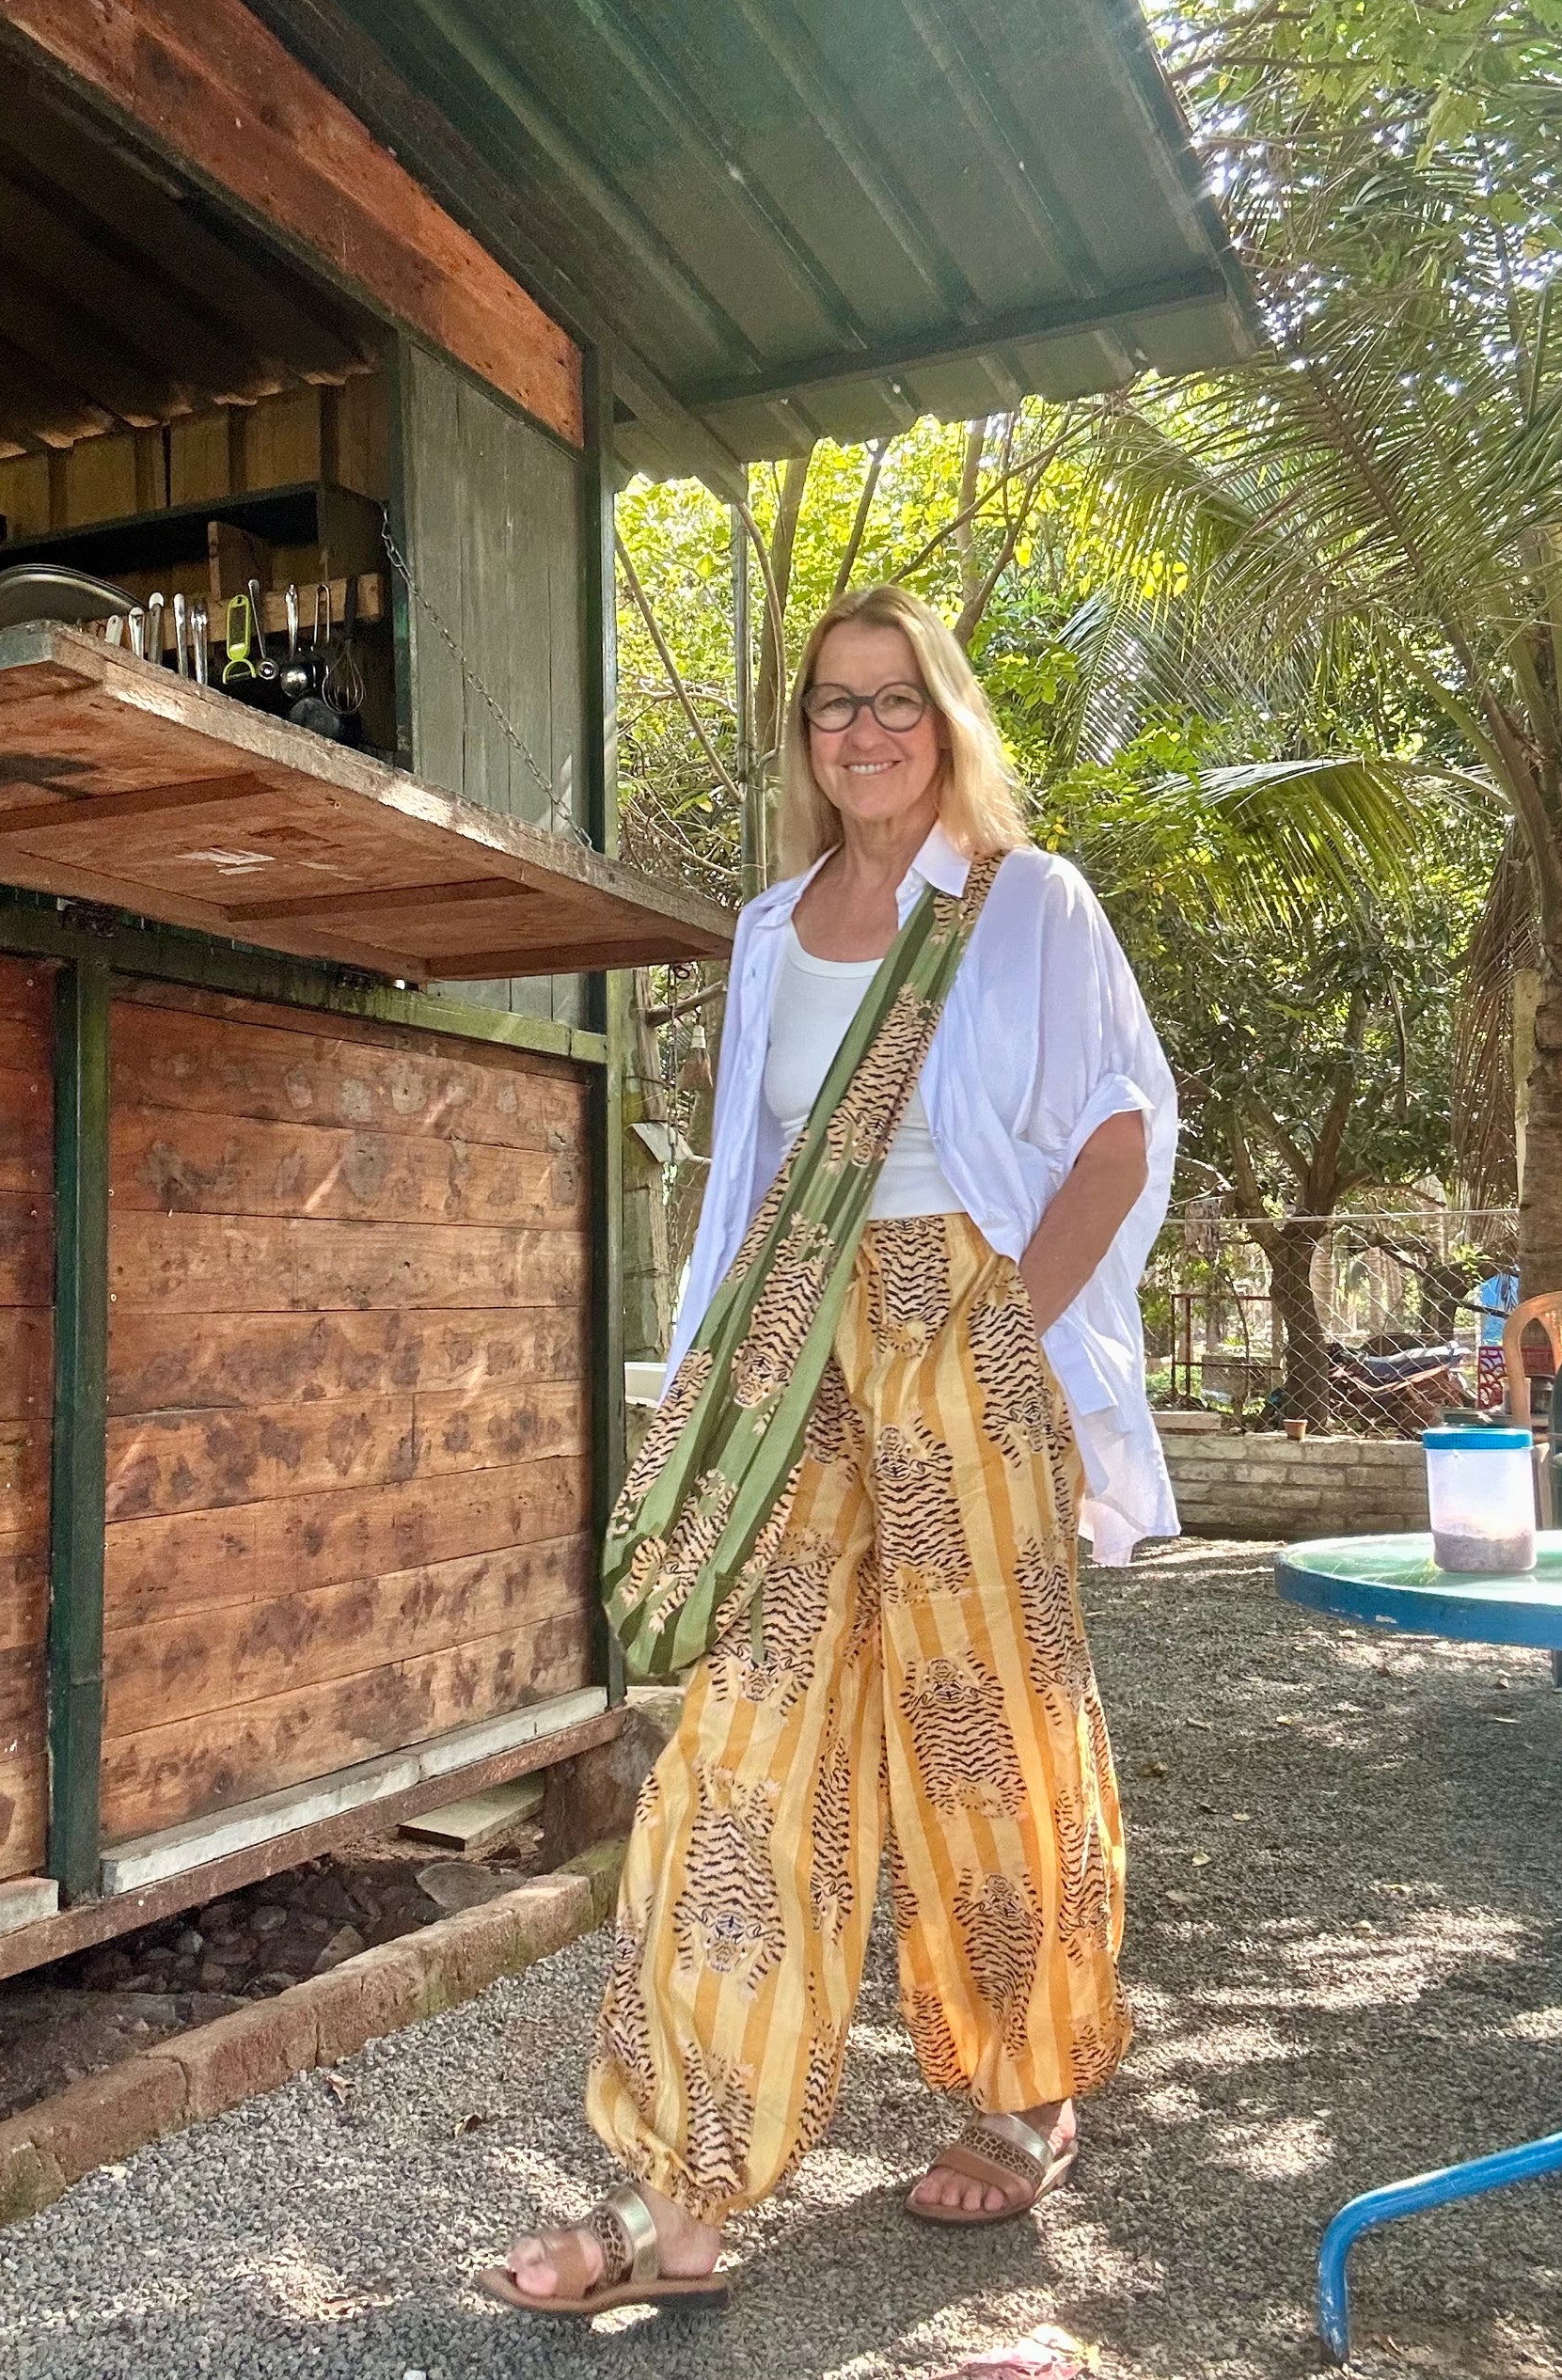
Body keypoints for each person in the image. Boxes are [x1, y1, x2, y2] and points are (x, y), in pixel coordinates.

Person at [484, 583, 1177, 2316]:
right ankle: (678, 2189)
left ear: (945, 719)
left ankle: (1024, 2091)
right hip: (792, 1349)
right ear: (803, 736)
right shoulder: (768, 927)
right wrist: (708, 1380)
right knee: (737, 1745)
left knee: (985, 1719)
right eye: (832, 705)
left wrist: (1010, 1322)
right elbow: (749, 1175)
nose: (863, 733)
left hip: (968, 1323)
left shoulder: (1027, 901)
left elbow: (1122, 1128)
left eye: (894, 700)